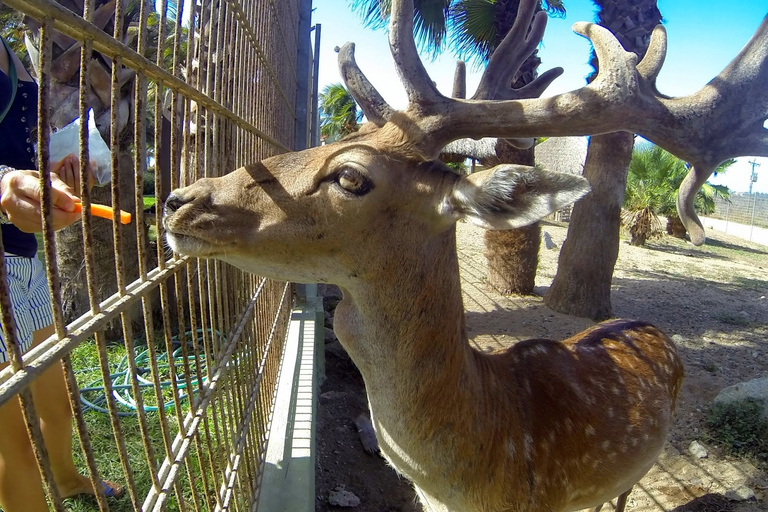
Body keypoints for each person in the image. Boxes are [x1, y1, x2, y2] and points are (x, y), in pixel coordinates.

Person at [0, 23, 124, 511]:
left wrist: (54, 168)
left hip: (23, 256)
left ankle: (69, 479)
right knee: (13, 441)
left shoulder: (9, 44)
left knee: (55, 395)